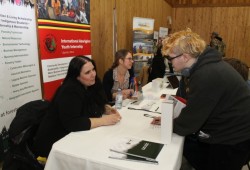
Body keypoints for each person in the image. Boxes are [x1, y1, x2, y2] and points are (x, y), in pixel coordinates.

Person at [151, 28, 250, 170]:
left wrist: (168, 123)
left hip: (232, 140)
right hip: (228, 133)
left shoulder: (206, 75)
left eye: (170, 58)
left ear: (185, 57)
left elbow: (189, 122)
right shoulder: (203, 68)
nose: (169, 63)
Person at [33, 56, 121, 157]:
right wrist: (105, 121)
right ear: (76, 76)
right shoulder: (69, 91)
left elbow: (96, 103)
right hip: (54, 142)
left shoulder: (92, 82)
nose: (93, 74)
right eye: (87, 72)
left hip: (75, 137)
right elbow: (73, 123)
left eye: (93, 69)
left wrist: (107, 109)